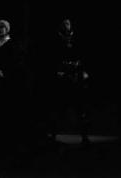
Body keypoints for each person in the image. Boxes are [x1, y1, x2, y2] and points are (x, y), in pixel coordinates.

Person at [0, 19, 30, 155]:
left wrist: (4, 73)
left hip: (9, 85)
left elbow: (19, 65)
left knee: (8, 115)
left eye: (2, 27)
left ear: (7, 29)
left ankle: (9, 146)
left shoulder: (14, 45)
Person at [48, 18, 90, 146]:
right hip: (63, 81)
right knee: (59, 109)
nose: (66, 25)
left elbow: (83, 56)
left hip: (76, 80)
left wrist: (82, 70)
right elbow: (53, 58)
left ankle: (84, 137)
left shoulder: (76, 39)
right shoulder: (56, 40)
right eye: (64, 23)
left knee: (81, 110)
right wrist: (58, 71)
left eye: (68, 23)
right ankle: (53, 135)